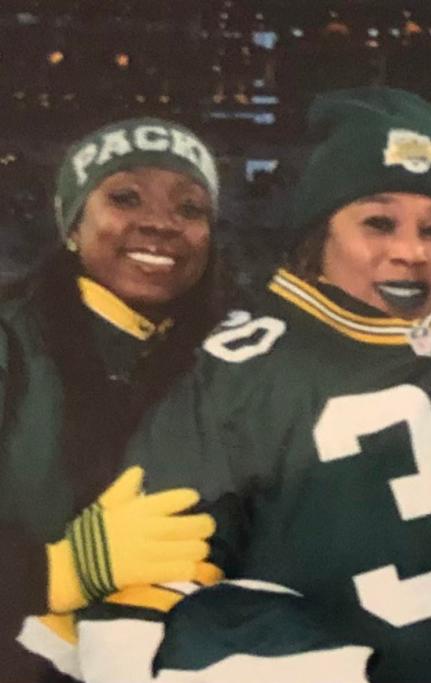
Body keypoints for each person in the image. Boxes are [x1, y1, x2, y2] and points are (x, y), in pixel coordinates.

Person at [58, 88, 431, 683]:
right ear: (318, 240)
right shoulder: (240, 370)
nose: (411, 253)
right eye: (378, 223)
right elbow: (149, 600)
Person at [0, 118, 228, 681]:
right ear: (72, 225)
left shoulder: (237, 358)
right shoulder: (13, 341)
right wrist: (53, 573)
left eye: (190, 209)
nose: (160, 223)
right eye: (125, 197)